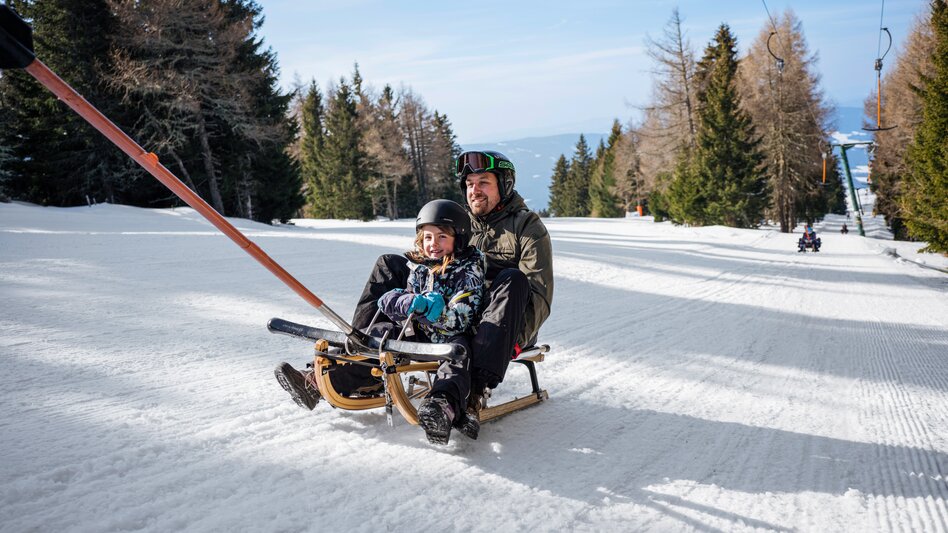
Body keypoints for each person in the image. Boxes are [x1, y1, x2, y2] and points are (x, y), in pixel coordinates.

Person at [278, 150, 555, 442]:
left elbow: (539, 295)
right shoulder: (460, 222)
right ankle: (359, 354)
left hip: (499, 327)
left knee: (512, 278)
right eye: (470, 183)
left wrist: (512, 342)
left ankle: (472, 391)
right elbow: (428, 261)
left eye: (484, 182)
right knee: (389, 264)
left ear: (505, 184)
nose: (475, 189)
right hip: (445, 313)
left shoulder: (526, 226)